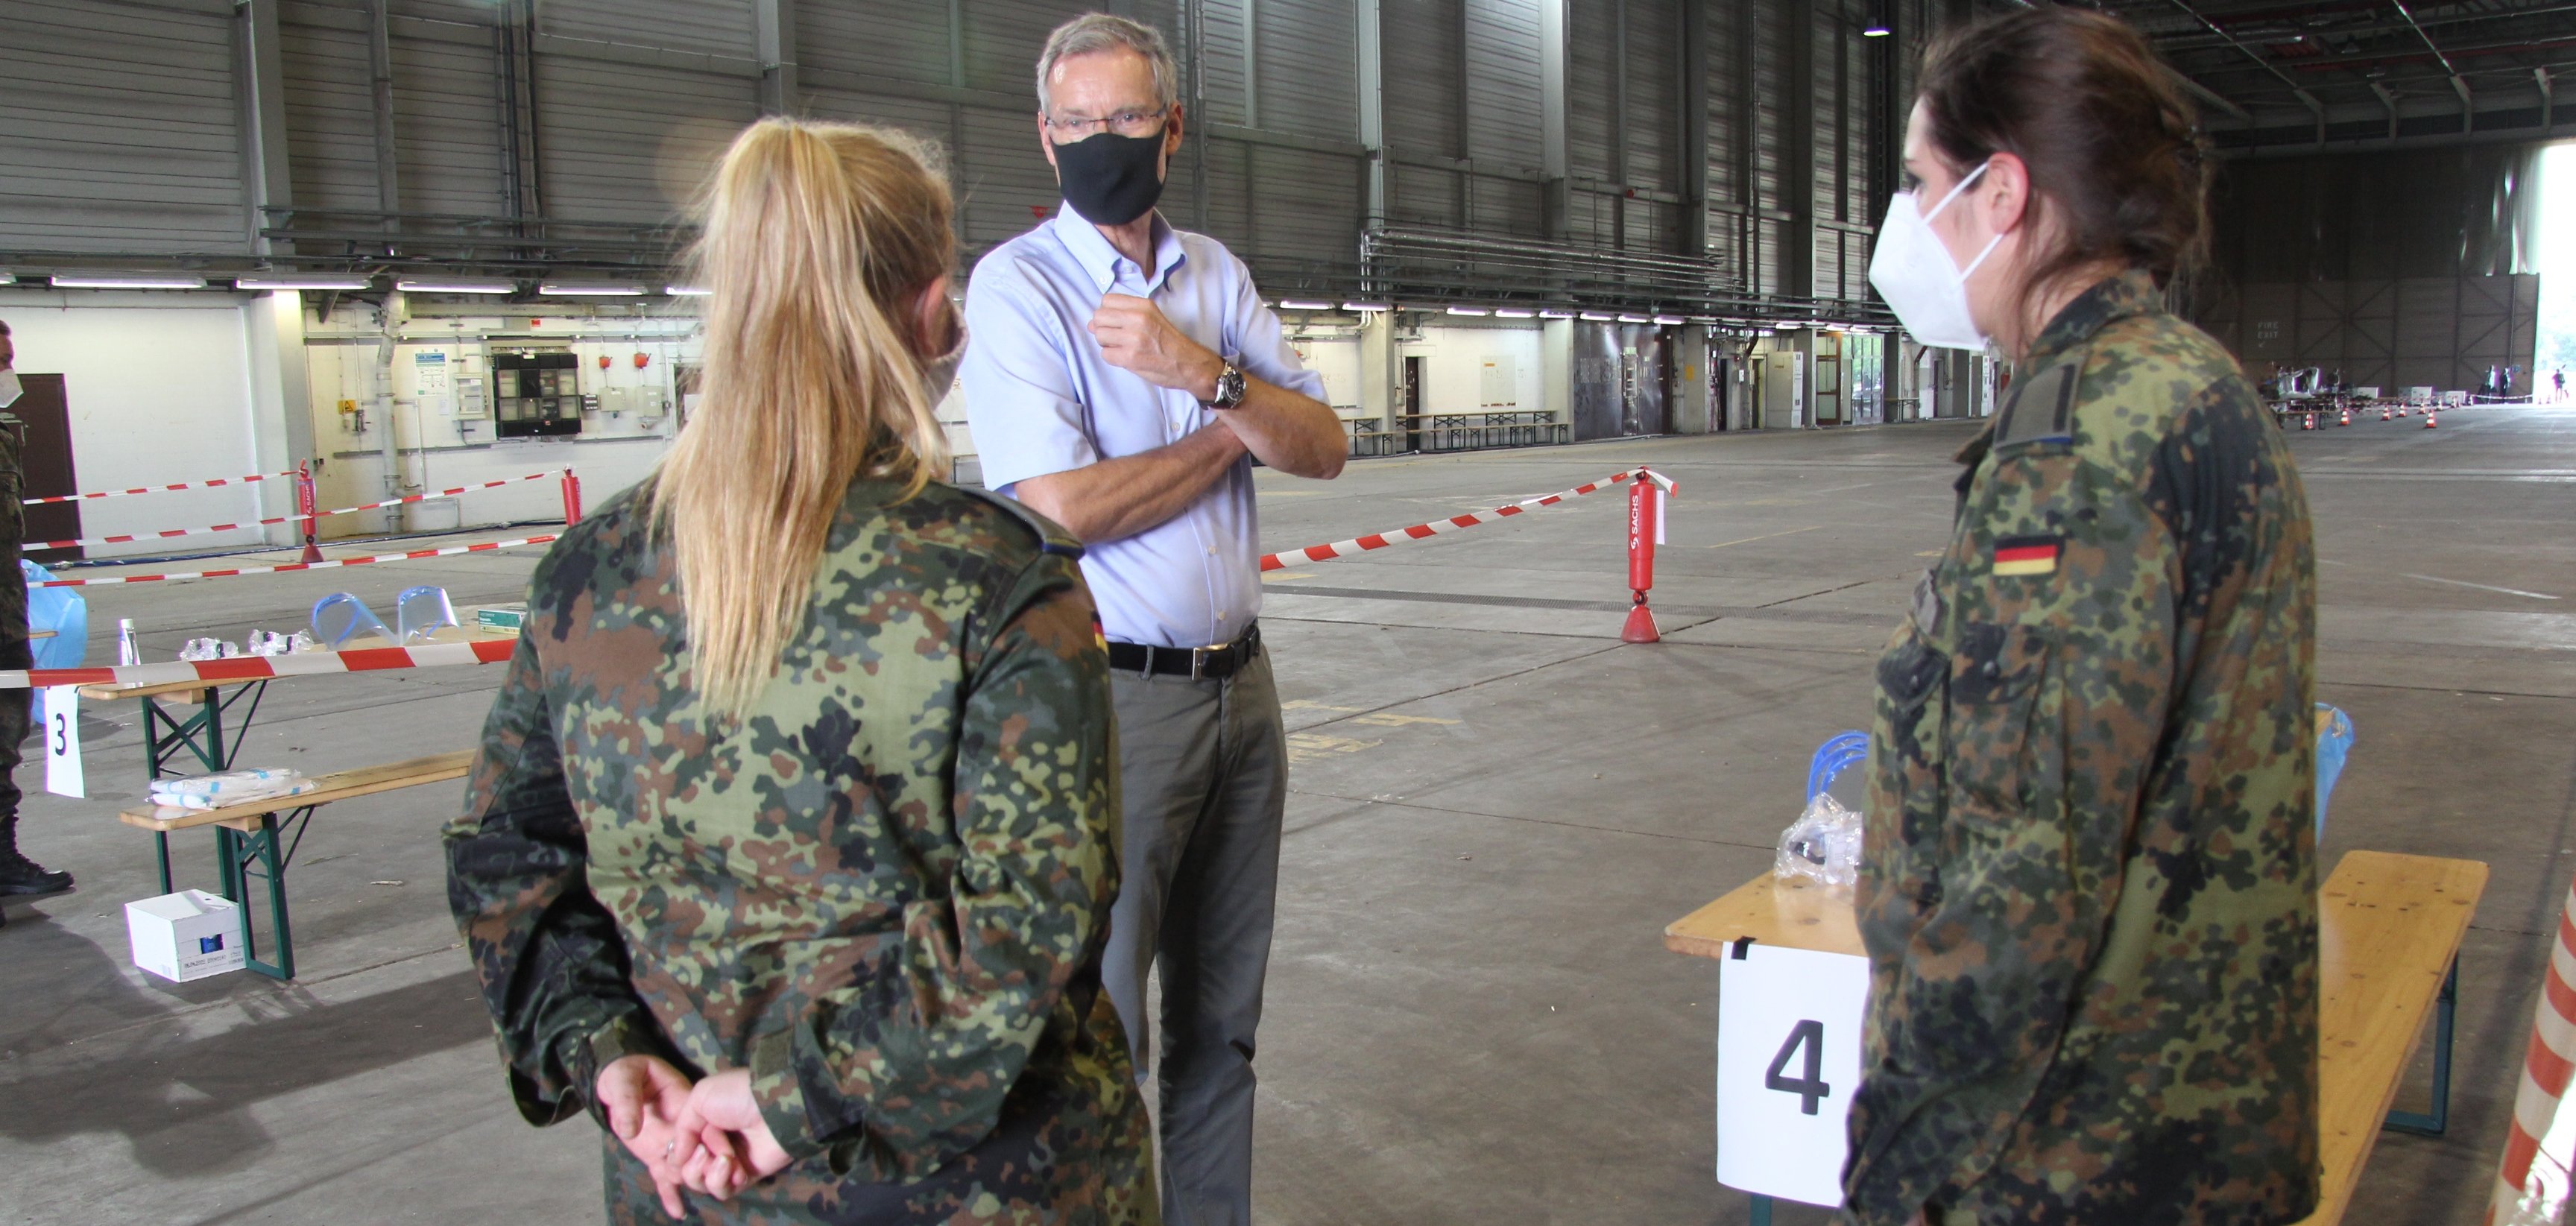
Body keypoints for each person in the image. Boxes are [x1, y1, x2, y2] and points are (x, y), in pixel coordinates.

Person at [443, 118, 1152, 1225]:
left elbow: (505, 853)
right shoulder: (994, 580)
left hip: (687, 1179)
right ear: (931, 317)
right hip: (979, 1189)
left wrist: (605, 1054)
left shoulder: (588, 576)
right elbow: (1029, 925)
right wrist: (791, 1098)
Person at [1850, 9, 2317, 1225]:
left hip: (2069, 1155)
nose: (1905, 219)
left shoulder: (2078, 451)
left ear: (1999, 194)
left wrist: (1901, 1146)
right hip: (2187, 1125)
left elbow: (2018, 881)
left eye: (1919, 182)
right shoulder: (2190, 387)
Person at [959, 14, 1346, 1225]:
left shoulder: (1214, 280)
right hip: (1119, 702)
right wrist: (1237, 430)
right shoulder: (1021, 288)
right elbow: (1064, 509)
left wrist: (1205, 377)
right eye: (1075, 124)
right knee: (1106, 1031)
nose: (1100, 142)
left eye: (1125, 120)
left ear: (1170, 131)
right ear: (1044, 135)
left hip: (1245, 694)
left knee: (1222, 1029)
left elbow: (1325, 445)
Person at [0, 320, 73, 923]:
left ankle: (3, 859)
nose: (10, 373)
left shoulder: (5, 434)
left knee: (5, 741)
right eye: (1, 361)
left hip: (6, 617)